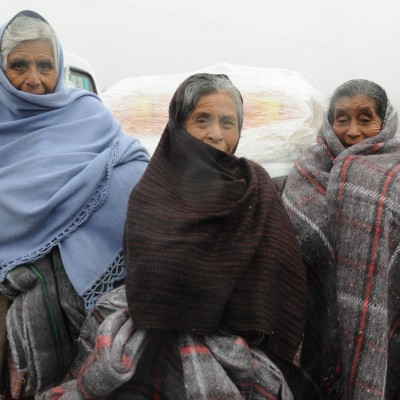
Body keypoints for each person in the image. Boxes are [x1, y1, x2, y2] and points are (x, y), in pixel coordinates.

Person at [39, 73, 307, 400]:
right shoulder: (154, 190)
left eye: (228, 122)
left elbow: (279, 275)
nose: (215, 134)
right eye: (202, 120)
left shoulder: (256, 186)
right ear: (179, 126)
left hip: (240, 340)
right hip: (157, 333)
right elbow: (156, 280)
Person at [0, 10, 149, 398]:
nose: (33, 78)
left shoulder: (86, 111)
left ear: (59, 67)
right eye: (19, 65)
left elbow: (133, 163)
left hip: (93, 277)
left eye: (45, 65)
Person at [282, 79, 400, 399]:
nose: (352, 132)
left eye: (365, 119)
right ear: (329, 122)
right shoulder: (306, 171)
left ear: (386, 121)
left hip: (382, 317)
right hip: (318, 323)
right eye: (342, 119)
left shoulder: (396, 174)